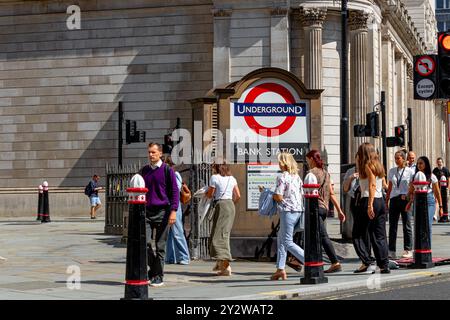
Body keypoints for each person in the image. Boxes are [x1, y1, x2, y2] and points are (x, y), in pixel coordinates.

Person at [140, 142, 179, 287]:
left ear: (160, 153)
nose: (151, 155)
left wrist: (173, 211)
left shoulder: (167, 170)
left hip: (163, 212)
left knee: (160, 246)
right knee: (145, 244)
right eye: (149, 152)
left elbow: (174, 192)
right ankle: (154, 271)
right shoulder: (144, 171)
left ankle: (158, 276)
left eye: (153, 152)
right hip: (147, 212)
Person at [306, 150, 346, 273]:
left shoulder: (310, 174)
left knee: (322, 236)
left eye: (307, 159)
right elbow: (332, 194)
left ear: (312, 159)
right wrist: (339, 210)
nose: (307, 162)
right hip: (324, 208)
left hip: (315, 208)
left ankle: (335, 262)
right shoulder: (326, 174)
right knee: (318, 235)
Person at [353, 142, 390, 274]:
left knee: (357, 234)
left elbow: (372, 185)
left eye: (359, 152)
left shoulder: (367, 165)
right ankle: (384, 264)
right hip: (380, 201)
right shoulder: (378, 165)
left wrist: (369, 204)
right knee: (379, 235)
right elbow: (385, 184)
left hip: (369, 200)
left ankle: (368, 261)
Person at [270, 152, 305, 280]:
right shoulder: (297, 177)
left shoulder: (282, 177)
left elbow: (278, 196)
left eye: (280, 161)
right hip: (298, 211)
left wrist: (268, 194)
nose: (279, 164)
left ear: (285, 163)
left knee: (287, 241)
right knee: (281, 238)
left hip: (287, 212)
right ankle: (280, 269)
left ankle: (309, 261)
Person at [206, 162, 240, 276]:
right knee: (222, 233)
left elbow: (210, 194)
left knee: (219, 236)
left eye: (212, 166)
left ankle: (225, 265)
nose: (211, 168)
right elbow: (238, 195)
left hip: (221, 205)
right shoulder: (232, 178)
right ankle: (220, 264)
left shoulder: (214, 177)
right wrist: (230, 204)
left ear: (216, 167)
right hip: (230, 205)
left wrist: (204, 193)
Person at [406, 156, 442, 246]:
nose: (419, 165)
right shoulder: (415, 176)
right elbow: (411, 191)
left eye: (421, 163)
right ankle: (419, 246)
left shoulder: (432, 176)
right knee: (418, 225)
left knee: (427, 225)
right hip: (417, 201)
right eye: (418, 163)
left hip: (429, 201)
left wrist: (441, 207)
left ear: (426, 164)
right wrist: (409, 201)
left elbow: (437, 193)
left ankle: (427, 246)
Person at [385, 150, 414, 259]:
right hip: (394, 199)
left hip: (404, 199)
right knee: (393, 226)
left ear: (403, 159)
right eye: (395, 158)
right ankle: (391, 250)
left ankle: (408, 249)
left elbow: (412, 187)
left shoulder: (410, 171)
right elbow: (390, 187)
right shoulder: (392, 171)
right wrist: (386, 200)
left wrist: (408, 197)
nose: (396, 160)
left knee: (407, 225)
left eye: (398, 158)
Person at [164, 156, 190, 265]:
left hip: (174, 205)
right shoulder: (165, 174)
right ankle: (170, 257)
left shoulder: (174, 174)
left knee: (177, 230)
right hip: (167, 204)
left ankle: (184, 256)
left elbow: (176, 188)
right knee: (169, 232)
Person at [432, 157, 449, 223]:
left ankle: (445, 216)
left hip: (444, 189)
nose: (439, 163)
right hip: (437, 189)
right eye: (438, 162)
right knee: (437, 201)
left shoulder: (446, 170)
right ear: (437, 163)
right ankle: (437, 215)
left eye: (440, 162)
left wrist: (448, 188)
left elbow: (448, 180)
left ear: (442, 162)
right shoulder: (435, 170)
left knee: (444, 202)